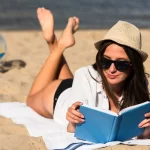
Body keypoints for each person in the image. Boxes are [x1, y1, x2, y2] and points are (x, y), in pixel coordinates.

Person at [27, 7, 150, 139]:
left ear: (133, 66)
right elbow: (72, 130)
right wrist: (73, 121)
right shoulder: (84, 75)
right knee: (30, 101)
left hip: (79, 87)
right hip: (58, 95)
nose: (112, 69)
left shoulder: (139, 83)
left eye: (122, 64)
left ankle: (57, 43)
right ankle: (55, 43)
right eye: (106, 62)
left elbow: (143, 134)